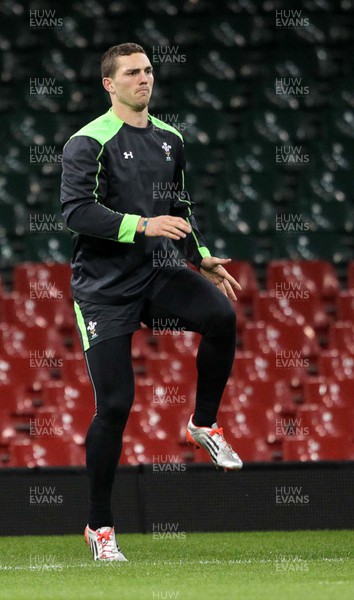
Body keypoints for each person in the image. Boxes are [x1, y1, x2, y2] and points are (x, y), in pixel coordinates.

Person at [60, 43, 243, 562]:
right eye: (132, 73)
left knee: (221, 315)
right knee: (116, 404)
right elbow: (76, 212)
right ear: (108, 84)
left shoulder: (171, 139)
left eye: (148, 71)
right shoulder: (87, 142)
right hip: (103, 289)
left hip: (159, 272)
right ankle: (100, 526)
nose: (144, 79)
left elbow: (178, 206)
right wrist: (140, 225)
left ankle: (204, 424)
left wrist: (200, 256)